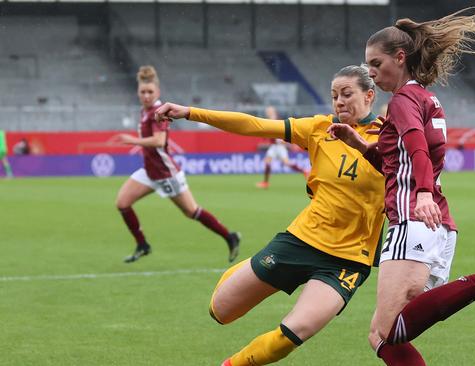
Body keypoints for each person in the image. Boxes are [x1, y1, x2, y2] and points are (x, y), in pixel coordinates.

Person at [327, 8, 475, 365]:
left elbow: (416, 145)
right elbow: (399, 158)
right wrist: (360, 145)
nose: (369, 71)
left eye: (375, 62)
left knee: (388, 332)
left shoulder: (402, 101)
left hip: (413, 219)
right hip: (436, 226)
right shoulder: (425, 98)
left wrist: (422, 193)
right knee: (382, 337)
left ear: (400, 58)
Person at [155, 65, 386, 366]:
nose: (339, 102)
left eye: (346, 94)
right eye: (334, 96)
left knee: (294, 332)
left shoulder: (390, 138)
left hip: (348, 260)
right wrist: (189, 112)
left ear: (369, 95)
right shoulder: (318, 129)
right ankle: (252, 264)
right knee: (220, 311)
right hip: (301, 241)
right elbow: (255, 125)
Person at [115, 65, 240, 264]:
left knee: (191, 211)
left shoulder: (157, 111)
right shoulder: (144, 111)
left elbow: (158, 140)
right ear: (138, 92)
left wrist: (132, 141)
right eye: (142, 92)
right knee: (122, 203)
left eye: (150, 92)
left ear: (158, 92)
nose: (146, 95)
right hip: (149, 171)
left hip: (165, 173)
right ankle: (142, 245)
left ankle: (229, 236)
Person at [256, 105, 309, 189]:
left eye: (269, 110)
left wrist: (285, 143)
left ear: (273, 111)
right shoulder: (272, 119)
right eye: (268, 111)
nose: (267, 112)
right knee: (267, 161)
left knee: (286, 163)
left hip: (279, 146)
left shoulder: (273, 120)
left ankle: (304, 171)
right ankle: (265, 182)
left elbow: (277, 133)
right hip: (274, 146)